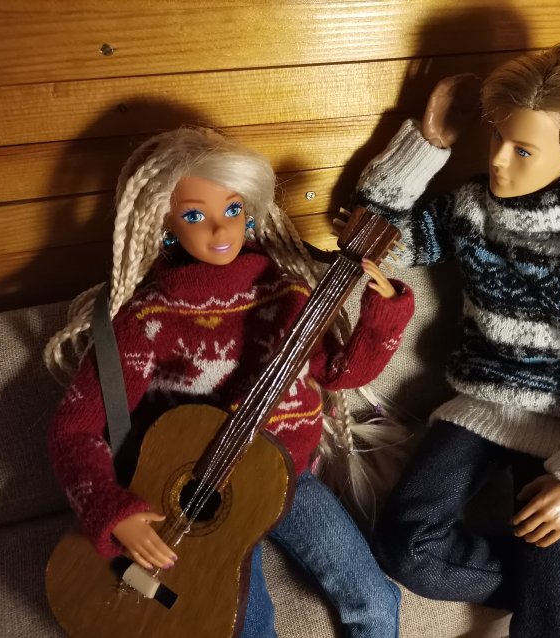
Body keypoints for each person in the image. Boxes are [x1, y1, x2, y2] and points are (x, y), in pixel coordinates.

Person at [354, 44, 560, 637]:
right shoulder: (471, 210)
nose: (499, 160)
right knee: (407, 548)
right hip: (481, 404)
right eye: (497, 138)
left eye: (524, 150)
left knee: (555, 621)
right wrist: (427, 142)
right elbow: (375, 238)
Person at [44, 127, 413, 637]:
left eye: (233, 209)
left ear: (252, 212)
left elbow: (340, 374)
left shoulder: (289, 294)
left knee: (373, 598)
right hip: (195, 488)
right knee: (243, 627)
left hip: (289, 477)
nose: (220, 228)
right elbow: (73, 429)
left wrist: (383, 313)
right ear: (165, 222)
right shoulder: (148, 318)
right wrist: (111, 510)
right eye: (195, 216)